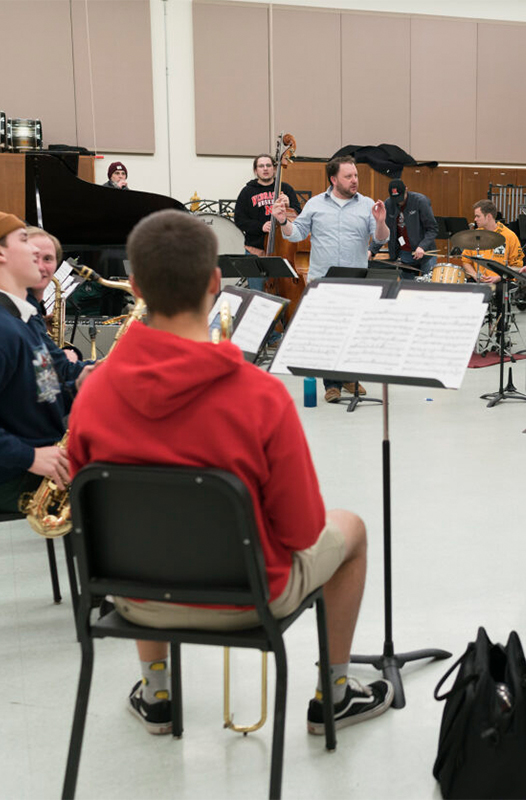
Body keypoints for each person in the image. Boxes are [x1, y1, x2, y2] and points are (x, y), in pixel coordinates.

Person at [67, 209, 393, 736]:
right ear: (216, 283)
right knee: (349, 527)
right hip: (248, 597)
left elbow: (88, 512)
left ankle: (156, 693)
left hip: (136, 597)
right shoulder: (260, 395)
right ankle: (333, 693)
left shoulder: (93, 392)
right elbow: (301, 531)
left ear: (133, 286)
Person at [273, 156, 389, 403]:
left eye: (355, 175)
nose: (354, 180)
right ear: (334, 179)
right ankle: (332, 384)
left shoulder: (367, 204)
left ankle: (350, 377)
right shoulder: (315, 204)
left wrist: (380, 222)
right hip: (322, 281)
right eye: (348, 176)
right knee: (328, 334)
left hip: (355, 280)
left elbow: (380, 238)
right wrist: (283, 221)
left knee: (353, 332)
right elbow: (297, 234)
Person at [0, 213, 92, 513]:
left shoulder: (26, 318)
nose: (35, 254)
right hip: (14, 484)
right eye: (25, 241)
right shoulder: (3, 328)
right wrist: (30, 456)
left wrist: (87, 377)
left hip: (39, 473)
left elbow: (49, 383)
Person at [26, 226, 80, 363]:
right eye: (33, 258)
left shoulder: (31, 313)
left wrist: (42, 327)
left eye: (48, 259)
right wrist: (67, 359)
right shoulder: (13, 314)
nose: (41, 267)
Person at [233, 153, 302, 259]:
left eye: (268, 165)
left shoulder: (286, 189)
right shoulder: (247, 191)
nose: (265, 169)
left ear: (274, 169)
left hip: (283, 248)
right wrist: (261, 226)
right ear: (255, 171)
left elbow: (299, 216)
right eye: (261, 166)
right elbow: (239, 220)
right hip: (256, 249)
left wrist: (289, 206)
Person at [369, 179, 438, 276]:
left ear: (406, 190)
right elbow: (384, 231)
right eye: (396, 199)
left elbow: (432, 229)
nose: (399, 202)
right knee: (406, 288)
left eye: (401, 198)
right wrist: (371, 250)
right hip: (404, 254)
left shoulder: (420, 201)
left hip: (426, 254)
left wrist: (422, 246)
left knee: (427, 287)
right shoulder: (389, 204)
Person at [460, 200, 523, 283]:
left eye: (478, 216)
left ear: (489, 216)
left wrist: (499, 277)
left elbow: (517, 266)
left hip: (501, 281)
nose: (475, 219)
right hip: (477, 281)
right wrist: (475, 275)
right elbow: (465, 261)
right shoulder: (475, 235)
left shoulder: (509, 236)